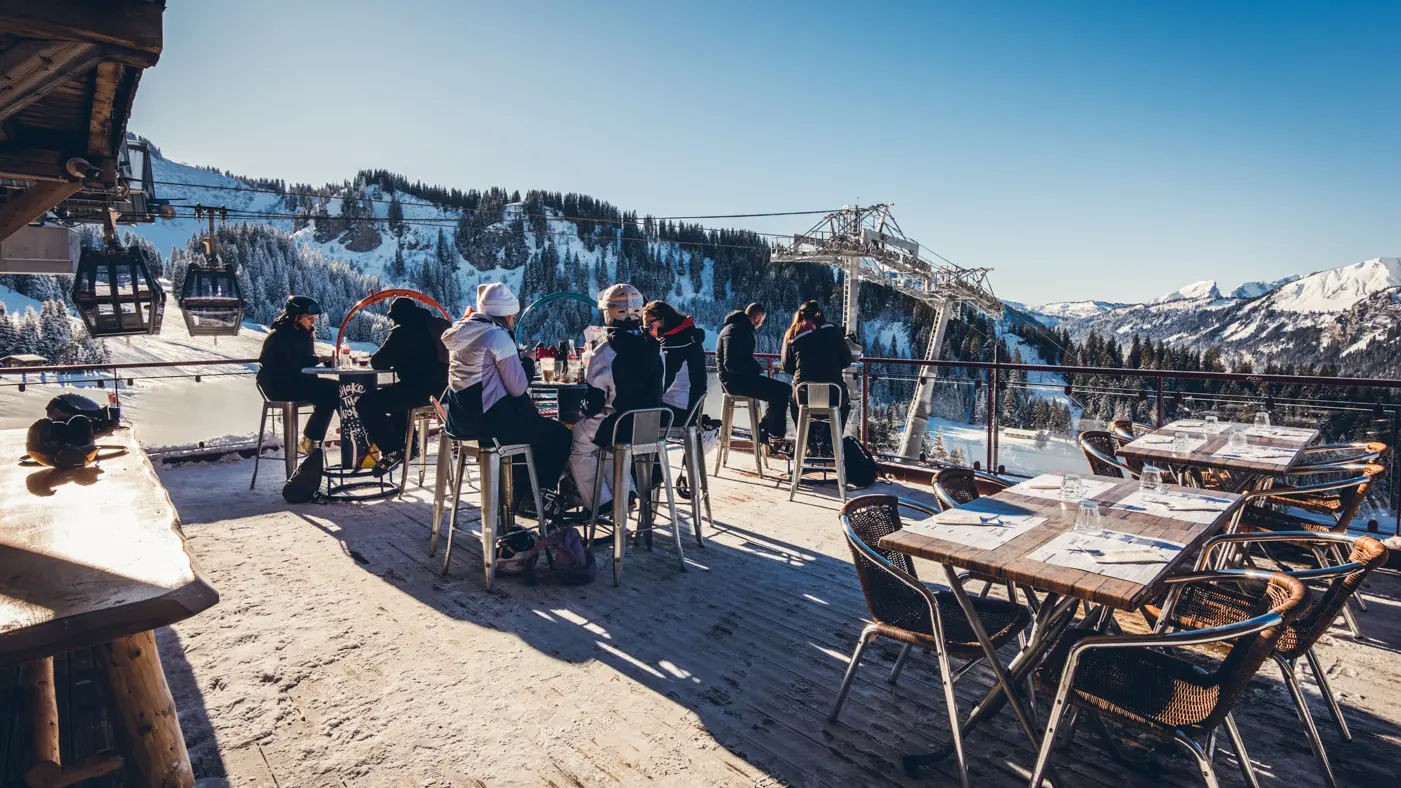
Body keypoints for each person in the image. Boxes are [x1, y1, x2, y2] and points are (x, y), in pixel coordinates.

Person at [441, 283, 571, 512]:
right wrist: (528, 361)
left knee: (533, 436)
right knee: (559, 435)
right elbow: (518, 387)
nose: (513, 320)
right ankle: (540, 499)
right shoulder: (497, 337)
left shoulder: (463, 332)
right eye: (512, 316)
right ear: (506, 315)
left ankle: (520, 497)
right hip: (491, 423)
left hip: (461, 420)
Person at [566, 283, 665, 512]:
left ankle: (602, 503)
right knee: (605, 445)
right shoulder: (656, 348)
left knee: (579, 443)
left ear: (608, 314)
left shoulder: (605, 352)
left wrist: (581, 411)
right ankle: (625, 493)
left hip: (617, 425)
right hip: (648, 428)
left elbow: (595, 403)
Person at [358, 297, 451, 476]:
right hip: (444, 391)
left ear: (397, 316)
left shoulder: (404, 330)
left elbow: (379, 361)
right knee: (395, 400)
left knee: (366, 404)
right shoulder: (434, 325)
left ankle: (393, 450)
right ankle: (410, 446)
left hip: (420, 390)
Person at [256, 295, 338, 455]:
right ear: (296, 317)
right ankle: (311, 441)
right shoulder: (279, 336)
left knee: (335, 392)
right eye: (310, 318)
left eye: (314, 318)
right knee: (333, 390)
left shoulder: (302, 334)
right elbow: (284, 365)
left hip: (296, 382)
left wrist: (318, 361)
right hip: (279, 386)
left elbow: (301, 360)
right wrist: (315, 361)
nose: (313, 322)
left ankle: (311, 441)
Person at [715, 301, 790, 449]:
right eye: (762, 320)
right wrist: (755, 370)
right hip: (736, 383)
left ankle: (766, 430)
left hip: (735, 380)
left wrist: (754, 367)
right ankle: (773, 436)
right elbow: (731, 363)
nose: (761, 324)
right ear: (757, 317)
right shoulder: (737, 330)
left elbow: (739, 358)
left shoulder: (735, 328)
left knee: (781, 391)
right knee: (782, 391)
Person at [781, 300, 854, 427]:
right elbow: (846, 360)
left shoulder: (792, 334)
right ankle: (833, 442)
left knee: (796, 406)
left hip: (803, 392)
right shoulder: (834, 330)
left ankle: (805, 443)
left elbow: (787, 366)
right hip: (833, 392)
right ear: (820, 313)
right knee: (843, 405)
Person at [643, 300, 707, 426]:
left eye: (649, 326)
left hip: (676, 413)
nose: (648, 332)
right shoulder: (686, 337)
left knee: (627, 414)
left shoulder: (674, 345)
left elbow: (662, 384)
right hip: (691, 409)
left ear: (663, 321)